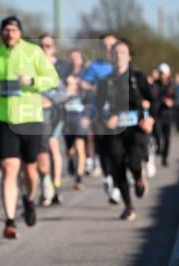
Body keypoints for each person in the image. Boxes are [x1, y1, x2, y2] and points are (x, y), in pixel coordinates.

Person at [0, 16, 59, 239]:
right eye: (6, 30)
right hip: (4, 118)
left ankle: (28, 200)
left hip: (30, 118)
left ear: (19, 32)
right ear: (1, 32)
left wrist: (32, 81)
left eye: (14, 30)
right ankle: (9, 221)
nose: (10, 33)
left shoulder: (33, 51)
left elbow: (53, 78)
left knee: (30, 170)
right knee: (9, 168)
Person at [96, 39, 153, 221]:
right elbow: (99, 107)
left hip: (136, 128)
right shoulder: (106, 81)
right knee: (117, 166)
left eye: (122, 52)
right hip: (115, 131)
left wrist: (150, 118)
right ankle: (128, 206)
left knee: (134, 162)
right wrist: (105, 119)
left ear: (129, 56)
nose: (118, 55)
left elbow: (153, 100)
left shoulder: (138, 78)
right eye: (115, 53)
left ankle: (138, 176)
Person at [82, 33, 120, 201]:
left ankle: (119, 183)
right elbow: (83, 84)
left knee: (117, 151)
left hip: (118, 115)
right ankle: (109, 178)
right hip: (99, 114)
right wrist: (96, 88)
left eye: (111, 46)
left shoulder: (122, 66)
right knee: (103, 150)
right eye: (104, 46)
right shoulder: (95, 66)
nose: (108, 49)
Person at [37, 35, 67, 205]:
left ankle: (56, 187)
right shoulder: (32, 66)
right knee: (41, 153)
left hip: (55, 114)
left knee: (53, 147)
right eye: (42, 45)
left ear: (54, 48)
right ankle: (45, 183)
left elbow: (65, 92)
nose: (45, 48)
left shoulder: (61, 67)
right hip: (36, 115)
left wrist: (50, 100)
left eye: (48, 45)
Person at [62, 48, 88, 189]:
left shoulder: (86, 74)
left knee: (80, 146)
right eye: (72, 57)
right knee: (69, 149)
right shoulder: (64, 74)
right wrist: (68, 88)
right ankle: (71, 161)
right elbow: (59, 95)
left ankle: (79, 177)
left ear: (81, 59)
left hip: (80, 114)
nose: (74, 60)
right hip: (67, 114)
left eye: (77, 57)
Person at [151, 63, 177, 166]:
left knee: (167, 138)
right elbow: (152, 97)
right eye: (160, 73)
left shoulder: (172, 85)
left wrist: (172, 102)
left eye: (164, 73)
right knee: (157, 134)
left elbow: (177, 98)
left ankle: (165, 158)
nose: (162, 75)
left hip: (168, 115)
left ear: (168, 73)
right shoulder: (155, 84)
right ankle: (158, 146)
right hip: (157, 114)